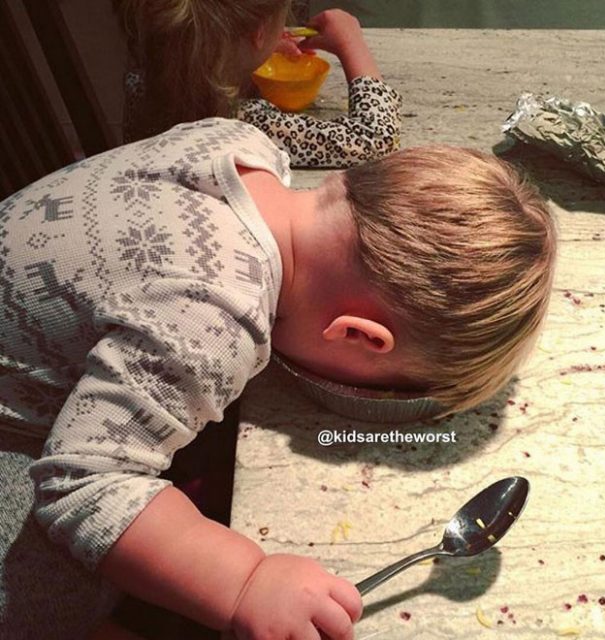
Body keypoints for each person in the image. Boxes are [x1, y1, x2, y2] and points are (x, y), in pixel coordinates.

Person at [0, 117, 555, 639]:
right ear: (359, 335)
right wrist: (246, 582)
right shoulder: (216, 320)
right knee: (61, 591)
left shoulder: (241, 141)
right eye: (390, 384)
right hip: (14, 428)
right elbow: (83, 483)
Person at [113, 1, 402, 167]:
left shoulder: (141, 83)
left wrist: (246, 53)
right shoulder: (243, 123)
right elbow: (374, 139)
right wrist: (352, 43)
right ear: (259, 32)